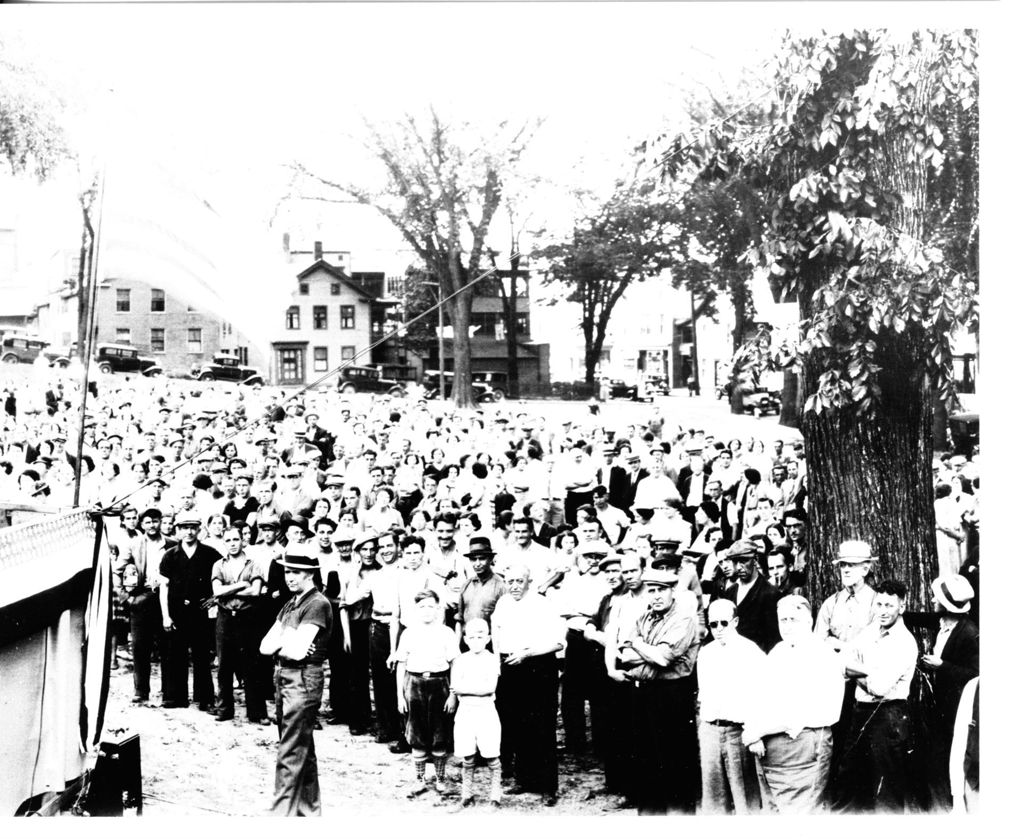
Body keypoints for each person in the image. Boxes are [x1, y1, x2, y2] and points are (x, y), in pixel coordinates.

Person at [742, 595, 845, 814]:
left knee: (801, 815)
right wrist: (752, 732)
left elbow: (798, 712)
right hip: (770, 751)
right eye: (783, 620)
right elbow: (759, 696)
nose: (787, 626)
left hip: (803, 747)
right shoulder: (778, 652)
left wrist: (757, 731)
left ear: (809, 621)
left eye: (793, 619)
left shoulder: (821, 654)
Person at [614, 566, 701, 814]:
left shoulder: (683, 619)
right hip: (644, 694)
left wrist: (639, 644)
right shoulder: (644, 617)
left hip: (673, 696)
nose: (656, 596)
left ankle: (678, 817)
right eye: (651, 590)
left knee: (674, 759)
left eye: (661, 590)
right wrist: (646, 652)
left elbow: (663, 659)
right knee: (646, 759)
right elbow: (625, 655)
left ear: (673, 591)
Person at [832, 579, 919, 813]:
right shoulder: (870, 630)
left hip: (889, 717)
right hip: (861, 713)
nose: (882, 611)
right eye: (878, 604)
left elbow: (879, 687)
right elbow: (842, 662)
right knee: (848, 782)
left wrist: (857, 670)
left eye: (889, 606)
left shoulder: (905, 642)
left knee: (886, 793)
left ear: (901, 607)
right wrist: (867, 671)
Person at [260, 553, 333, 816]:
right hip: (285, 677)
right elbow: (265, 646)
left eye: (296, 572)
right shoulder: (291, 604)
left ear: (310, 574)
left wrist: (287, 640)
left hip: (303, 678)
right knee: (301, 746)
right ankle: (308, 810)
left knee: (290, 750)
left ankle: (281, 815)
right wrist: (289, 638)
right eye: (287, 572)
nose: (290, 577)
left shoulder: (317, 603)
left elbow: (298, 651)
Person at [491, 562, 566, 806]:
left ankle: (547, 787)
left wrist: (528, 653)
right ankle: (524, 779)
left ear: (528, 581)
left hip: (538, 668)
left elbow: (558, 643)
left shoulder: (542, 604)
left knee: (542, 727)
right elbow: (496, 631)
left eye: (519, 581)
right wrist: (496, 661)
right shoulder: (503, 603)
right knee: (515, 725)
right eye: (510, 581)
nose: (514, 586)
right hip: (510, 669)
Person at [905, 573, 979, 810]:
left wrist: (942, 666)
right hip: (941, 707)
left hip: (956, 709)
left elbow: (974, 673)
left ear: (946, 605)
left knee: (948, 757)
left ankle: (950, 807)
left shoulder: (968, 633)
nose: (933, 600)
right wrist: (900, 613)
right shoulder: (943, 620)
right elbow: (925, 618)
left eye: (937, 598)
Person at [697, 599, 765, 814]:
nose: (718, 629)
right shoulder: (706, 653)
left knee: (745, 796)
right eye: (713, 624)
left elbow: (760, 695)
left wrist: (754, 732)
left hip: (738, 732)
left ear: (735, 621)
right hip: (711, 730)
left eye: (723, 623)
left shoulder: (750, 651)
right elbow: (703, 695)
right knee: (714, 798)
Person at [395, 589, 459, 797]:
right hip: (414, 684)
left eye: (430, 606)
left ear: (438, 608)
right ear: (416, 609)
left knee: (440, 735)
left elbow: (455, 664)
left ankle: (440, 779)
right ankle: (420, 780)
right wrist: (400, 696)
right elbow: (401, 665)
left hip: (439, 683)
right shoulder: (409, 633)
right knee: (417, 735)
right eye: (422, 606)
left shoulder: (446, 633)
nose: (426, 610)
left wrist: (452, 694)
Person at [157, 511, 221, 711]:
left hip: (200, 612)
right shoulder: (170, 555)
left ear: (199, 529)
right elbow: (164, 588)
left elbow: (222, 579)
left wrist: (214, 599)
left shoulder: (210, 554)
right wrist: (166, 616)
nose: (189, 532)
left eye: (193, 527)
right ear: (178, 530)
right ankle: (175, 697)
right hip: (177, 612)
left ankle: (205, 699)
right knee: (175, 654)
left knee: (202, 655)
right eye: (185, 528)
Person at [208, 524, 269, 724]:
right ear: (224, 543)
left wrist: (230, 589)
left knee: (252, 664)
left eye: (236, 539)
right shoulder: (218, 564)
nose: (232, 544)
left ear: (242, 540)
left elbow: (256, 592)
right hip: (225, 618)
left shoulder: (253, 564)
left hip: (247, 618)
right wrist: (243, 584)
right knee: (224, 664)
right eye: (228, 540)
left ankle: (257, 712)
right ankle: (224, 709)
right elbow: (216, 591)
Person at [450, 617, 504, 807]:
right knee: (468, 756)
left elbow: (489, 688)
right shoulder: (461, 660)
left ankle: (495, 796)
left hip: (486, 711)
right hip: (465, 712)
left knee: (491, 755)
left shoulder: (491, 659)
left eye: (480, 636)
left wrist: (465, 689)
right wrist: (466, 689)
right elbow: (455, 685)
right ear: (465, 639)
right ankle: (467, 795)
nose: (476, 640)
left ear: (488, 638)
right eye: (471, 637)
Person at [723, 538, 781, 653]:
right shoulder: (730, 592)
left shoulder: (769, 593)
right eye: (735, 562)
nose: (739, 567)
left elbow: (773, 639)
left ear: (755, 560)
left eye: (743, 561)